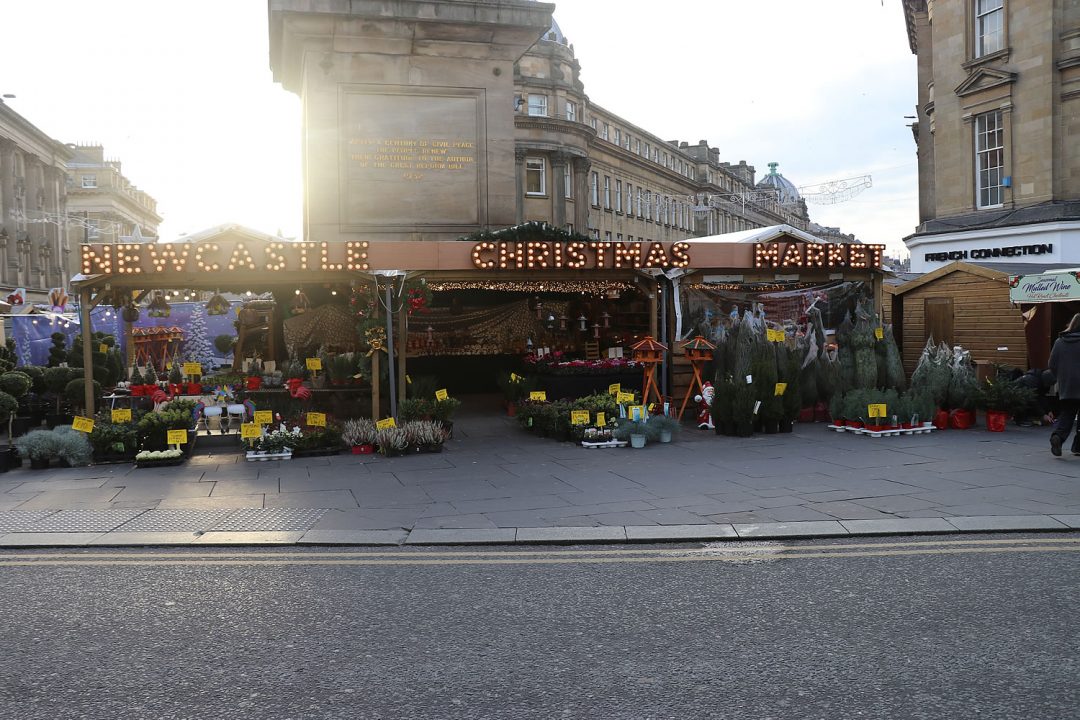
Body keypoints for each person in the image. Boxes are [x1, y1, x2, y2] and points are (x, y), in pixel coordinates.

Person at [1047, 313, 1080, 456]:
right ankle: (1078, 447)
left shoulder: (1060, 341)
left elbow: (1052, 364)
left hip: (1067, 385)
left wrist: (1061, 377)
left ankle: (1058, 437)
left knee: (1067, 413)